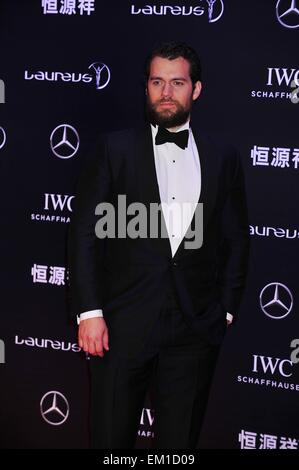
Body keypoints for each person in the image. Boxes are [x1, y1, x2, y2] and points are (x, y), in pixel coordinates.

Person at [68, 41, 250, 449]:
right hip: (120, 326)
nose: (166, 92)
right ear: (147, 88)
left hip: (194, 330)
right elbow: (84, 235)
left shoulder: (223, 157)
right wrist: (90, 312)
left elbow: (237, 238)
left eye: (178, 82)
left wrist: (226, 309)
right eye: (157, 82)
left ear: (196, 90)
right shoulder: (114, 150)